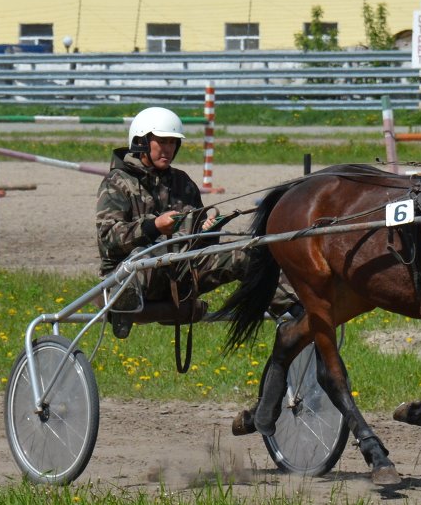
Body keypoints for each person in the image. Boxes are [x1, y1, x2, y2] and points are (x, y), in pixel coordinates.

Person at [95, 106, 298, 338]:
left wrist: (209, 228)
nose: (168, 149)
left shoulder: (183, 183)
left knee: (247, 253)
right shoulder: (117, 183)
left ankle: (296, 310)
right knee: (144, 255)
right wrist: (154, 226)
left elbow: (200, 244)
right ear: (141, 142)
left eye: (173, 143)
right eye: (162, 142)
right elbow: (108, 238)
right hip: (132, 272)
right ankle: (123, 300)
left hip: (180, 269)